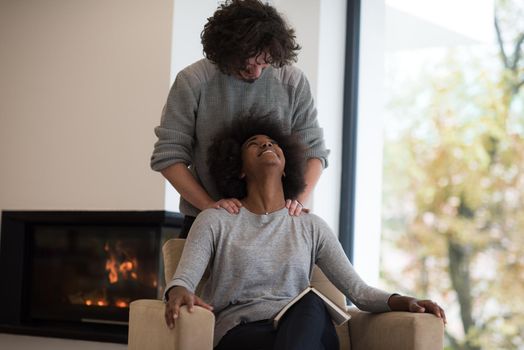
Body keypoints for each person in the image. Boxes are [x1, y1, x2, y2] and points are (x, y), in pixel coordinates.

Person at [163, 115, 447, 350]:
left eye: (273, 143)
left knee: (310, 304)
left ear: (287, 168)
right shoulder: (216, 220)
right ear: (238, 170)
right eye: (254, 144)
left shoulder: (311, 227)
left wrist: (405, 301)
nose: (266, 144)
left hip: (304, 326)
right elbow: (184, 279)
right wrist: (177, 292)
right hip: (243, 334)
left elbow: (358, 292)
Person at [150, 0, 329, 237]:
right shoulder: (194, 81)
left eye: (264, 63)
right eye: (246, 64)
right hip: (206, 222)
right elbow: (168, 155)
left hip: (276, 223)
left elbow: (314, 153)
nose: (256, 73)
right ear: (224, 52)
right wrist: (209, 208)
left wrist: (293, 203)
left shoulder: (292, 81)